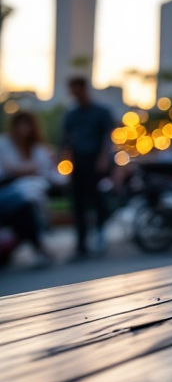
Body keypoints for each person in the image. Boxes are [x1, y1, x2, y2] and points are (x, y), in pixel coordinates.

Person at [60, 77, 114, 256]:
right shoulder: (71, 114)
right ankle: (81, 242)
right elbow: (66, 142)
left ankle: (100, 233)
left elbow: (108, 138)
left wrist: (103, 159)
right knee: (78, 202)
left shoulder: (100, 112)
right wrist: (66, 164)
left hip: (95, 162)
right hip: (78, 162)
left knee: (98, 199)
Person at [0, 112, 61, 264]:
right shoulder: (4, 143)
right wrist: (29, 169)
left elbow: (46, 171)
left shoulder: (38, 148)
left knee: (28, 202)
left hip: (26, 197)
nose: (23, 129)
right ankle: (39, 244)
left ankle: (37, 244)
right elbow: (8, 168)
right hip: (6, 190)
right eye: (20, 125)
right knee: (28, 198)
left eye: (26, 125)